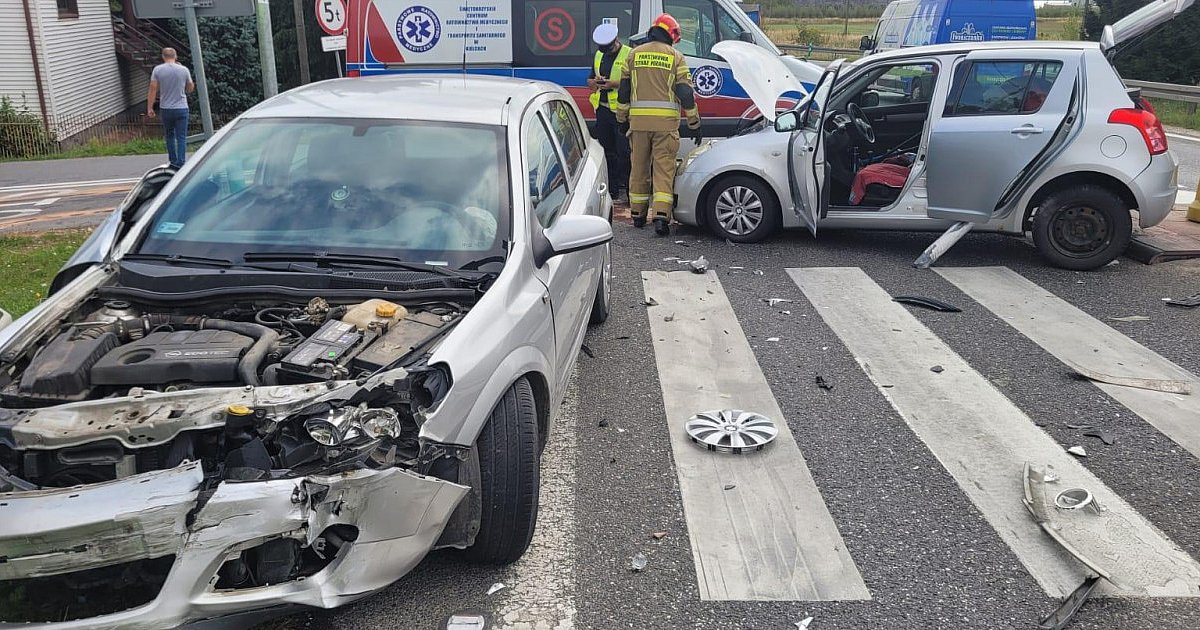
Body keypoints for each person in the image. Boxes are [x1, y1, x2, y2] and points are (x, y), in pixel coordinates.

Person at [616, 13, 702, 236]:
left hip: (638, 125)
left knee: (639, 168)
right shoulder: (675, 57)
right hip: (665, 126)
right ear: (671, 35)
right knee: (664, 170)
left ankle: (637, 214)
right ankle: (661, 217)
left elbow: (624, 91)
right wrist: (693, 121)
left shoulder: (634, 55)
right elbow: (685, 92)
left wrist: (620, 118)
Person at [587, 23, 632, 204]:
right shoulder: (599, 55)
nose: (606, 52)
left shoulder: (629, 54)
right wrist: (595, 82)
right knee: (607, 152)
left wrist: (614, 84)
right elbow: (589, 80)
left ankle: (630, 194)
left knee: (624, 153)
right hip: (603, 109)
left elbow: (635, 83)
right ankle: (612, 191)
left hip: (621, 111)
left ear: (616, 41)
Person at [147, 48, 195, 169]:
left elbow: (153, 88)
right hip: (181, 107)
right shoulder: (184, 70)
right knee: (181, 137)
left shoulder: (157, 70)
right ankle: (181, 162)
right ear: (176, 56)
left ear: (163, 57)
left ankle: (173, 161)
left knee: (169, 135)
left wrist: (150, 107)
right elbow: (190, 87)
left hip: (166, 108)